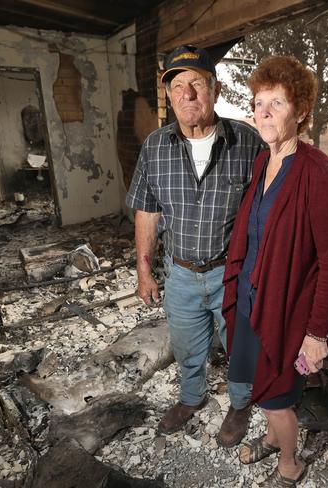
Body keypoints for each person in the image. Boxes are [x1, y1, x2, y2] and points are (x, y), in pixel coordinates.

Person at [125, 45, 263, 446]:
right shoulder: (154, 147)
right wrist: (144, 271)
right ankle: (191, 398)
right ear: (169, 96)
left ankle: (240, 403)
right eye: (178, 86)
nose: (188, 95)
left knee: (240, 345)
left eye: (197, 84)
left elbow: (270, 207)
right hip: (181, 274)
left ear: (215, 90)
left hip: (231, 273)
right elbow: (147, 213)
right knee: (187, 347)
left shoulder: (247, 142)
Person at [222, 56, 328, 487]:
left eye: (278, 102)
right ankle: (275, 440)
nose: (266, 112)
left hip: (287, 310)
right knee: (261, 389)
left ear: (302, 111)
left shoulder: (319, 173)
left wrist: (316, 334)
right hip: (253, 302)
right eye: (259, 102)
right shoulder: (262, 163)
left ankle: (289, 465)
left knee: (277, 398)